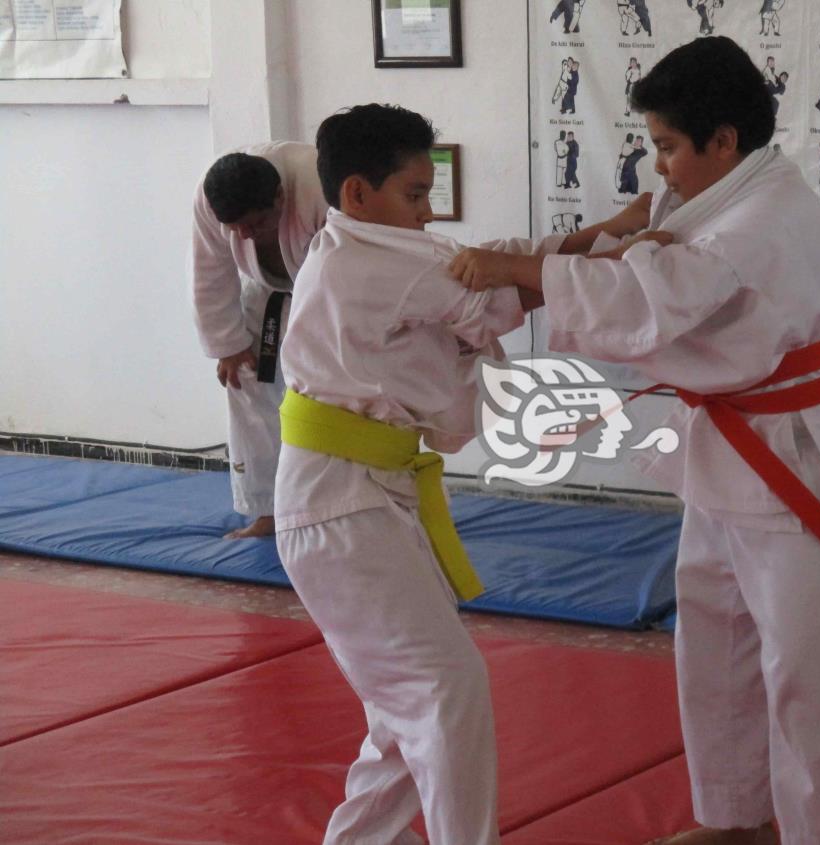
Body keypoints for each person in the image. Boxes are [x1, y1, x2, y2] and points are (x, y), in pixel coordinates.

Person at [448, 36, 820, 845]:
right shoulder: (725, 192)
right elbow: (635, 238)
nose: (657, 166)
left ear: (721, 140)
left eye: (665, 146)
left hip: (799, 461)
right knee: (716, 637)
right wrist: (547, 253)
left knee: (814, 675)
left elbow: (641, 294)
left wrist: (513, 271)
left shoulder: (758, 220)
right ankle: (736, 818)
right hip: (732, 453)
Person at [274, 103, 601, 845]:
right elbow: (507, 285)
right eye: (414, 195)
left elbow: (496, 260)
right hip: (340, 506)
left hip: (360, 498)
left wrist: (607, 237)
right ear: (358, 193)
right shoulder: (366, 263)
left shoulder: (368, 250)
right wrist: (627, 251)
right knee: (443, 691)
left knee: (405, 708)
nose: (425, 214)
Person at [191, 142, 329, 539]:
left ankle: (329, 510)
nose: (245, 236)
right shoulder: (210, 196)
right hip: (265, 294)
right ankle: (267, 510)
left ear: (280, 198)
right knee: (246, 382)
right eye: (235, 229)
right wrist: (228, 344)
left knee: (326, 400)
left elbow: (351, 270)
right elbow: (208, 268)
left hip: (326, 297)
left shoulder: (320, 186)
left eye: (255, 224)